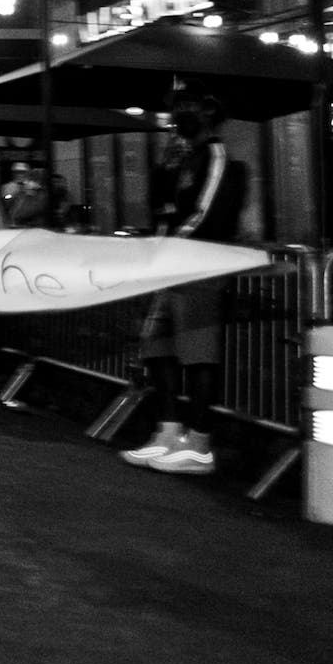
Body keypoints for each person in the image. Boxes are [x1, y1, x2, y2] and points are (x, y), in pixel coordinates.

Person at [120, 91, 247, 477]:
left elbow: (205, 210)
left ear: (209, 111)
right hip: (170, 267)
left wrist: (173, 245)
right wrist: (163, 170)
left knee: (197, 354)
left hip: (198, 267)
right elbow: (162, 208)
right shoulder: (183, 158)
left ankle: (200, 442)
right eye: (175, 107)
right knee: (157, 348)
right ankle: (169, 431)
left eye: (187, 106)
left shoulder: (216, 156)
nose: (178, 114)